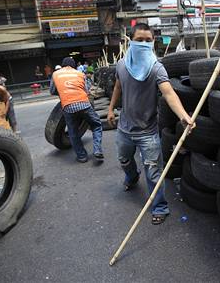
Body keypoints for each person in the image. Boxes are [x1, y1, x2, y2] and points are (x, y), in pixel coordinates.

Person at [107, 23, 195, 225]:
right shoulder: (122, 65)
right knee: (124, 160)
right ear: (131, 40)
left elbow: (169, 93)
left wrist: (183, 115)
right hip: (124, 129)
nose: (144, 43)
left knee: (154, 172)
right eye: (139, 40)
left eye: (148, 40)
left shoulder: (156, 68)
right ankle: (131, 176)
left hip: (147, 132)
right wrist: (111, 108)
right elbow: (118, 86)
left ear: (153, 42)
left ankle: (160, 207)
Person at [51, 57, 103, 163]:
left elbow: (52, 91)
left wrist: (63, 92)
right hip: (84, 104)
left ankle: (82, 156)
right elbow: (86, 91)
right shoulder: (80, 74)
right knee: (96, 125)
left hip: (68, 106)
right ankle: (97, 150)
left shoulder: (55, 74)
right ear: (74, 66)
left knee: (73, 132)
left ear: (62, 65)